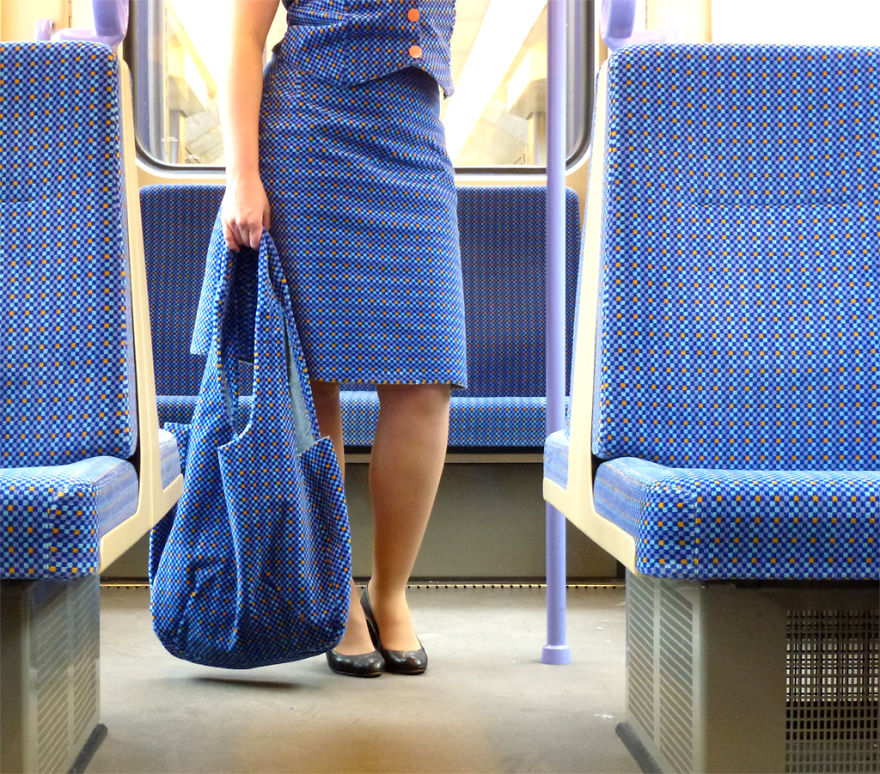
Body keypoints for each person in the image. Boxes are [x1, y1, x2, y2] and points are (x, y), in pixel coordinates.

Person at [218, 0, 467, 677]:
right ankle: (336, 593)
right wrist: (242, 175)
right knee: (313, 377)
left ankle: (390, 590)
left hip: (415, 139)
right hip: (308, 140)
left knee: (428, 380)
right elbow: (244, 37)